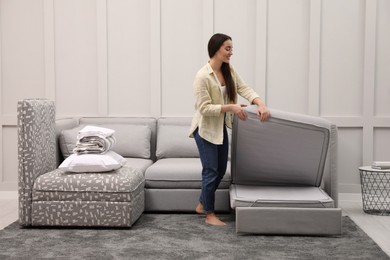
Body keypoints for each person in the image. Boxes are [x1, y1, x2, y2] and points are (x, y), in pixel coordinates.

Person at [189, 33, 270, 226]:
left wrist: (260, 103)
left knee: (221, 170)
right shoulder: (202, 76)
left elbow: (244, 88)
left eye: (231, 48)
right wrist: (231, 108)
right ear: (216, 48)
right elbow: (204, 109)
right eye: (228, 48)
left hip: (220, 128)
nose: (231, 52)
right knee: (210, 170)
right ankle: (209, 214)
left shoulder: (228, 70)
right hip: (205, 129)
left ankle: (202, 203)